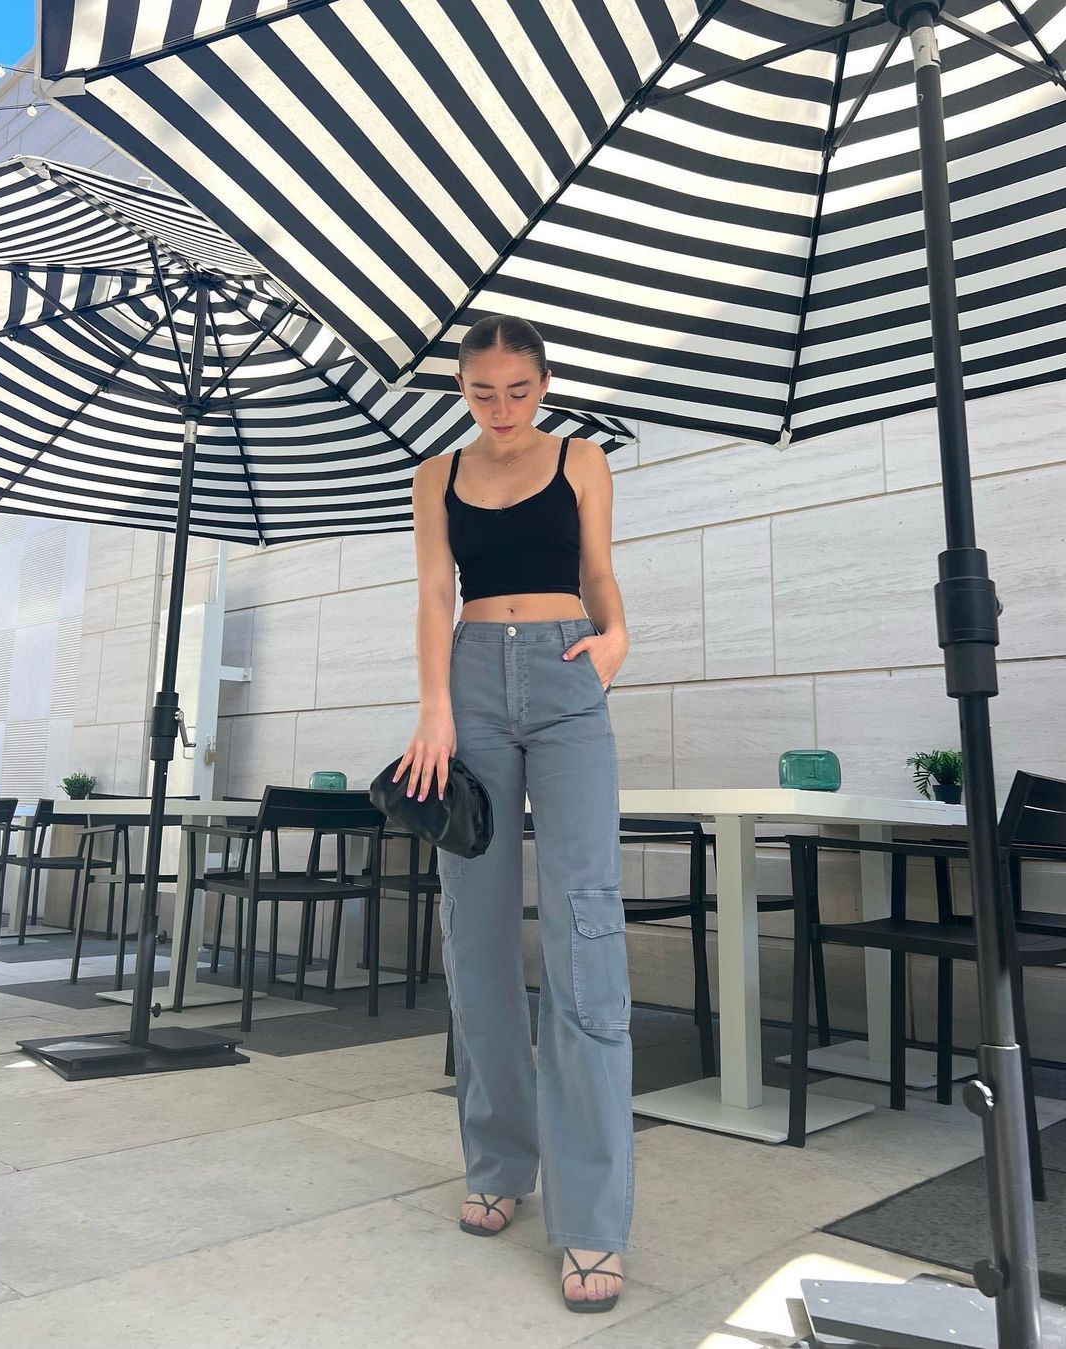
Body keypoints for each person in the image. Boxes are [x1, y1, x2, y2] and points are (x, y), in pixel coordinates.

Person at [393, 314, 633, 1312]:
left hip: (569, 672)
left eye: (518, 389)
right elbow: (433, 590)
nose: (501, 407)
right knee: (476, 930)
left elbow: (597, 569)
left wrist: (616, 638)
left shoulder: (582, 459)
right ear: (462, 388)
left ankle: (593, 1215)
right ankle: (498, 1161)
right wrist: (436, 707)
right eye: (483, 391)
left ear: (544, 384)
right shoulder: (436, 475)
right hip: (472, 685)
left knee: (586, 925)